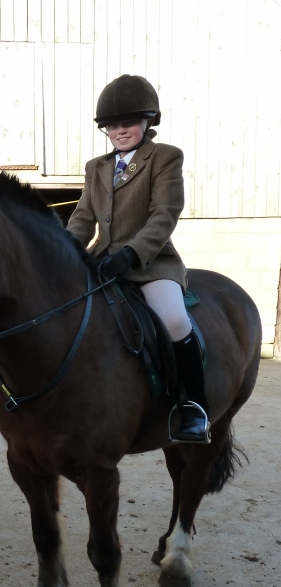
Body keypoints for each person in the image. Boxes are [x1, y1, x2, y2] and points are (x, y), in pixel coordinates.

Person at [67, 74, 209, 443]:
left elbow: (165, 214)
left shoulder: (164, 157)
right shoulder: (95, 167)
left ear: (148, 122)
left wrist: (131, 253)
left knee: (175, 320)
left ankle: (194, 406)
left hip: (151, 263)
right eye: (111, 125)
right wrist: (64, 252)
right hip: (101, 261)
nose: (119, 130)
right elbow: (83, 218)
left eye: (127, 122)